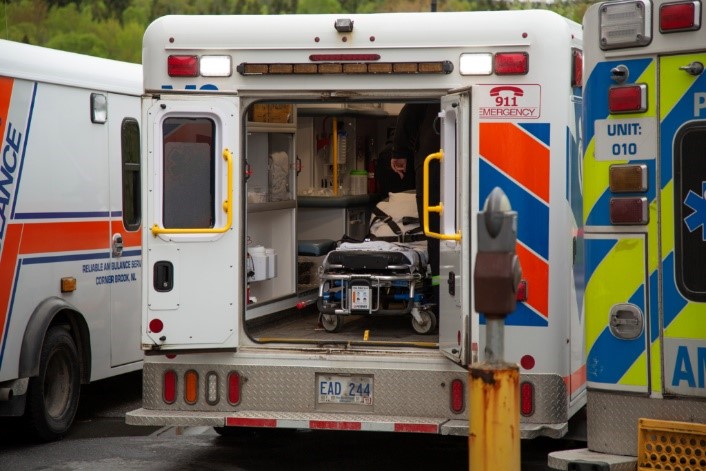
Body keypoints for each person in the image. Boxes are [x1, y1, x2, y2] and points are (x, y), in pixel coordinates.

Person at [391, 103, 441, 307]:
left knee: (436, 238)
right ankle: (442, 294)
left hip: (433, 164)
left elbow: (409, 111)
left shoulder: (427, 97)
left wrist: (399, 151)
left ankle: (440, 299)